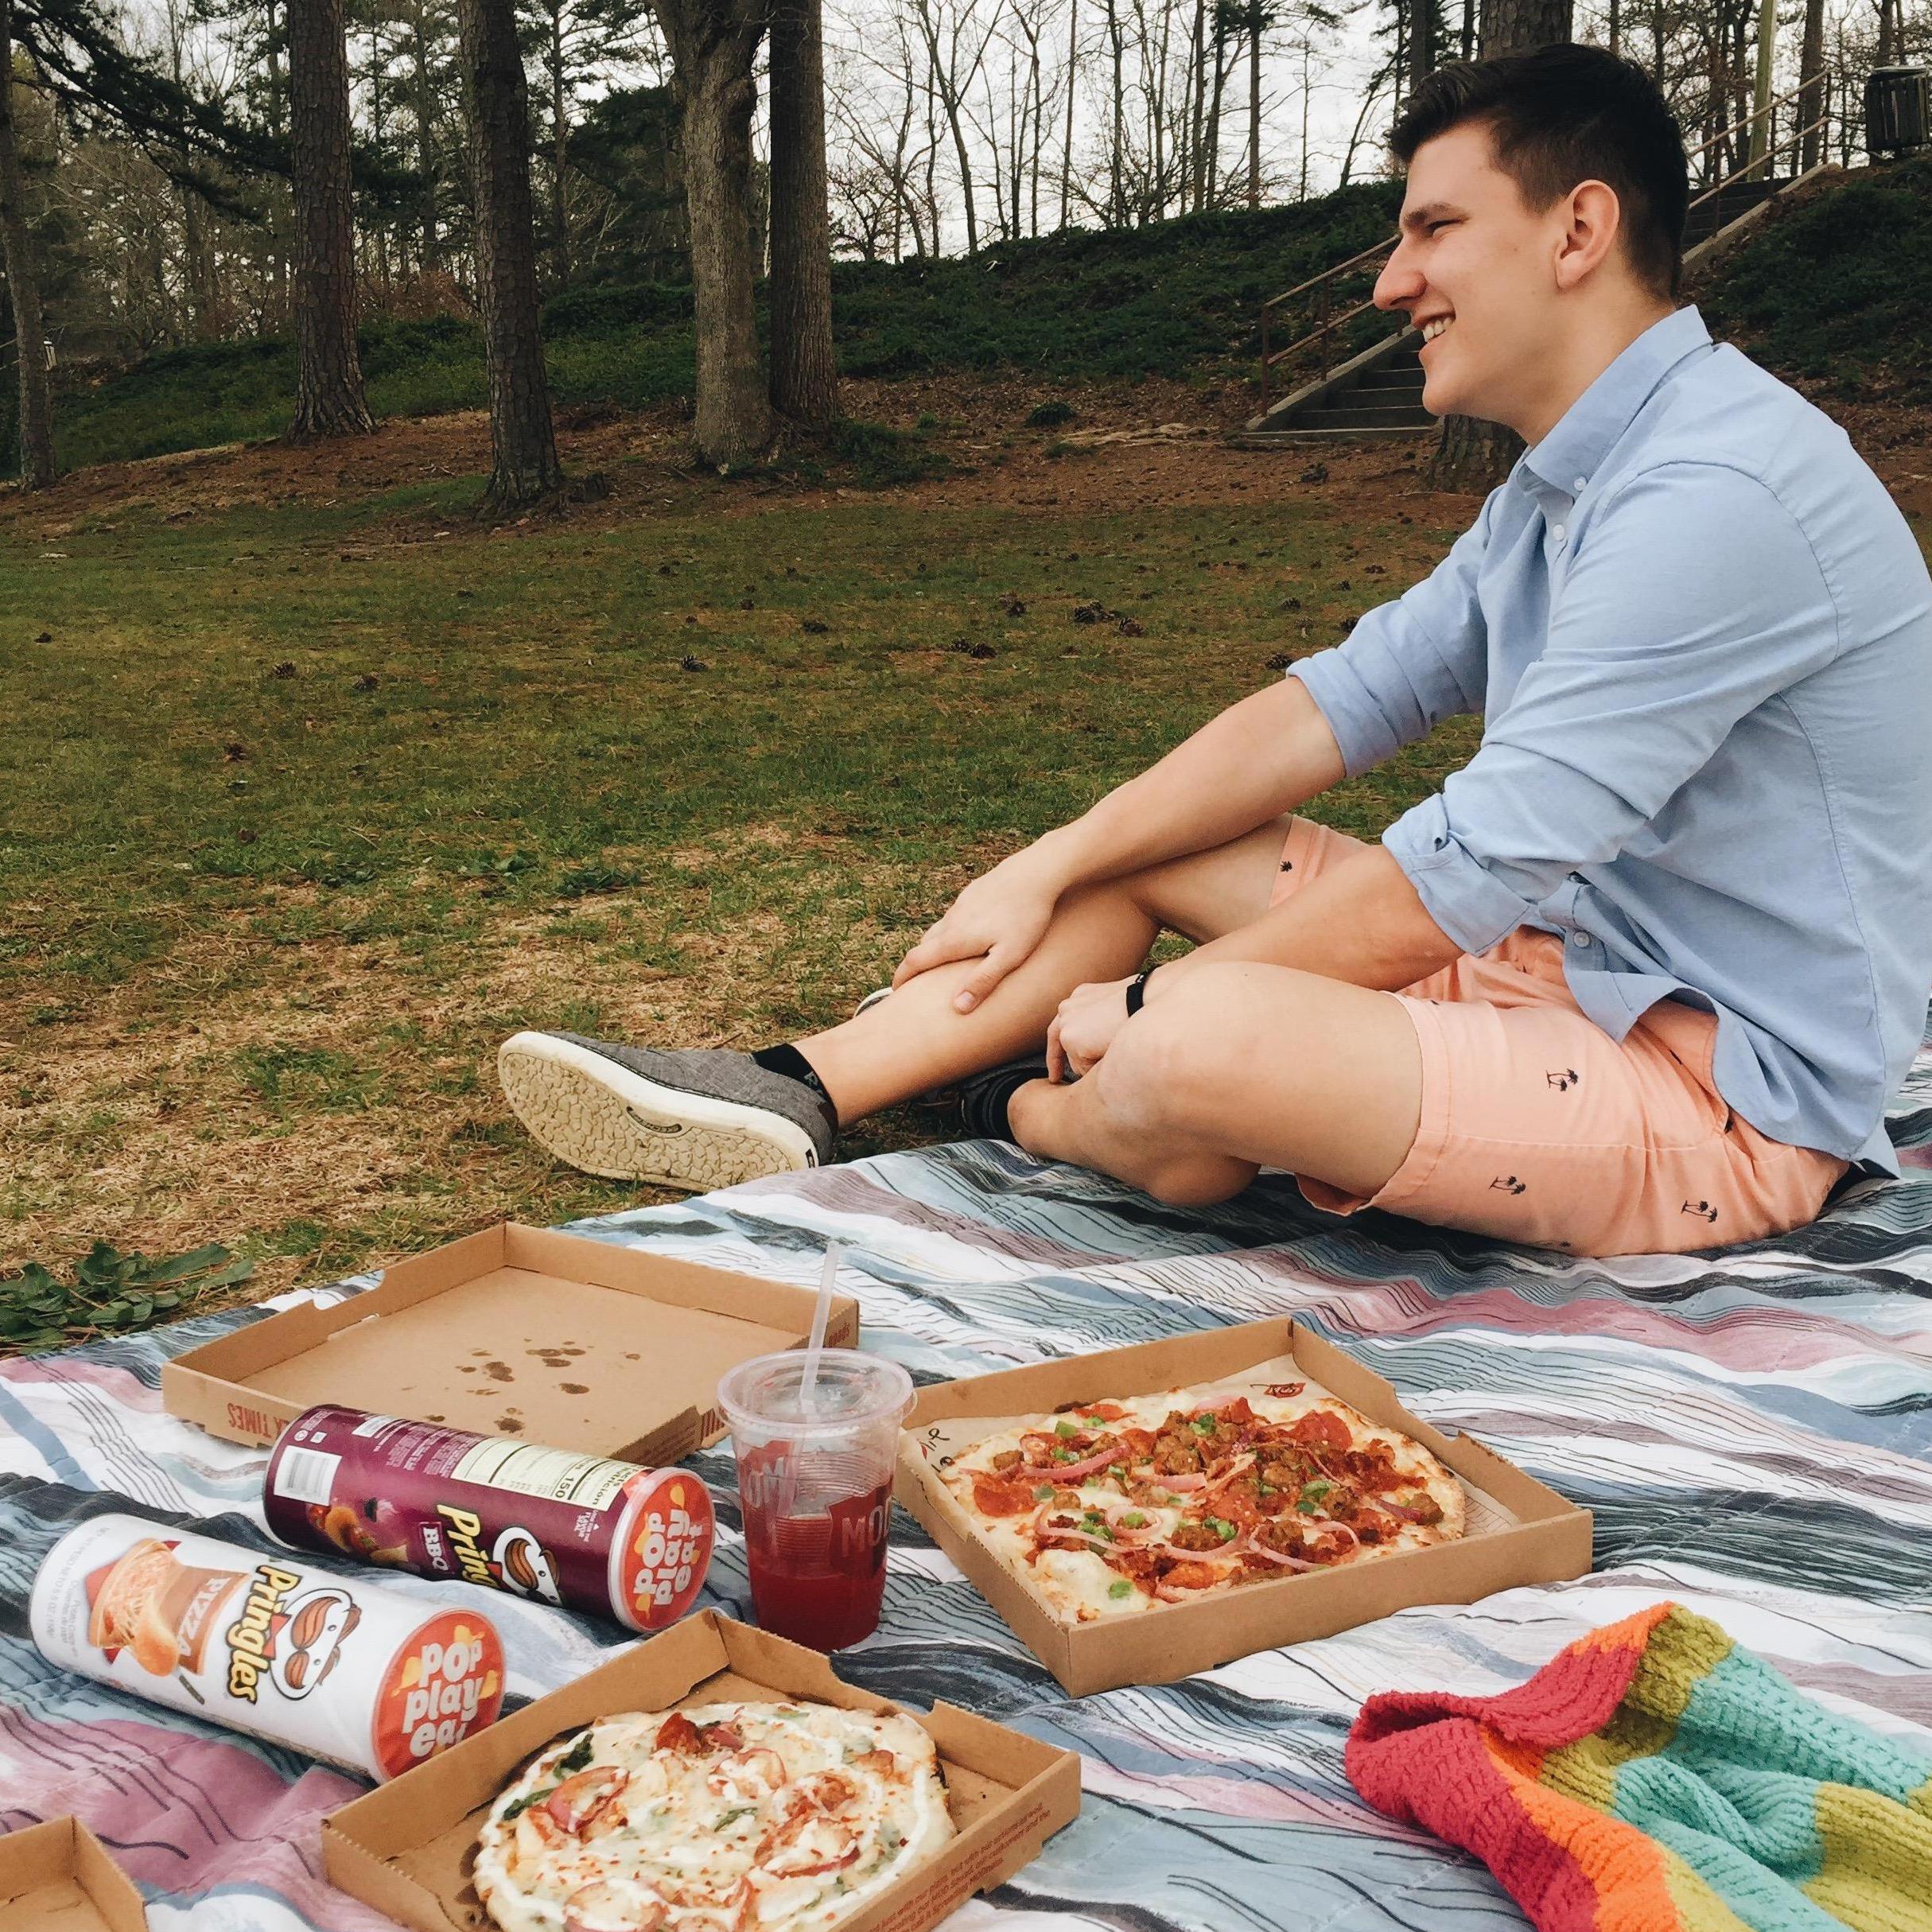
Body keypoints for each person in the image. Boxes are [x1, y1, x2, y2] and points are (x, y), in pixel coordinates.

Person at [499, 45, 1932, 1258]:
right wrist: (1052, 857)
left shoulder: (1715, 493)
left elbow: (1479, 856)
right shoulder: (1568, 481)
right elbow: (1340, 700)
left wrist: (1149, 1002)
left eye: (1432, 229)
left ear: (1577, 232)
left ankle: (1050, 1107)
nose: (1390, 282)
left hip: (1715, 1093)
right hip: (1549, 967)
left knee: (1200, 1040)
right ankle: (795, 1085)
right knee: (1147, 845)